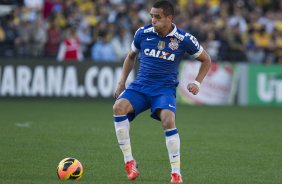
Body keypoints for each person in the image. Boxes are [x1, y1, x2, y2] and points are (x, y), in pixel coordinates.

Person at [112, 1, 211, 183]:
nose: (153, 20)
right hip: (140, 86)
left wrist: (197, 82)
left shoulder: (184, 39)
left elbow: (206, 60)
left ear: (169, 18)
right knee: (118, 107)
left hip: (164, 90)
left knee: (168, 120)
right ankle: (129, 162)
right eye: (151, 15)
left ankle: (176, 174)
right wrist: (121, 83)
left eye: (157, 17)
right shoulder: (143, 33)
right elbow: (130, 56)